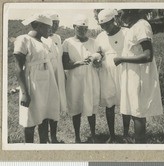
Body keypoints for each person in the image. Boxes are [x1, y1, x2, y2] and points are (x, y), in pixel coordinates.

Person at [113, 9, 163, 143]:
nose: (119, 16)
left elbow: (147, 55)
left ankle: (140, 146)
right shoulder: (132, 27)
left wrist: (122, 59)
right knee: (134, 111)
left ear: (130, 11)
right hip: (132, 75)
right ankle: (138, 144)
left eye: (121, 13)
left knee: (138, 113)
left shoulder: (142, 25)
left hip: (139, 75)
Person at [13, 13, 60, 143]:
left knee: (44, 117)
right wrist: (24, 93)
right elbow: (18, 68)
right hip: (32, 83)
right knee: (31, 118)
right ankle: (30, 149)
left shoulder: (44, 42)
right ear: (38, 26)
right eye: (48, 27)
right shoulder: (23, 39)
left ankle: (43, 146)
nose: (50, 30)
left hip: (47, 83)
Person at [62, 15, 100, 143]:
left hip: (91, 78)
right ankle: (77, 137)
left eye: (85, 28)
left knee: (91, 108)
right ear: (74, 27)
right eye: (80, 28)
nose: (83, 30)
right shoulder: (67, 43)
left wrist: (96, 61)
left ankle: (93, 135)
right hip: (75, 79)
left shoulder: (94, 42)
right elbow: (65, 64)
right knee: (76, 107)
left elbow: (100, 60)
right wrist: (78, 63)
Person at [95, 9, 129, 143]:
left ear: (113, 21)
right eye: (102, 26)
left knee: (125, 103)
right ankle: (112, 135)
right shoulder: (100, 37)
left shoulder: (126, 32)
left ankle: (126, 134)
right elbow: (98, 53)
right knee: (110, 105)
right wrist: (97, 59)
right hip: (107, 74)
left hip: (124, 71)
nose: (104, 28)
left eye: (107, 25)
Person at [41, 12, 67, 143]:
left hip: (58, 77)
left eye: (57, 23)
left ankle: (54, 137)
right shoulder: (41, 38)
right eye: (53, 23)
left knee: (55, 106)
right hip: (46, 78)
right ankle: (44, 138)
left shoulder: (57, 38)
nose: (55, 26)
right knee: (45, 107)